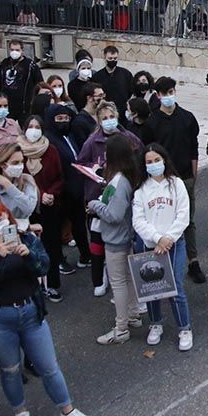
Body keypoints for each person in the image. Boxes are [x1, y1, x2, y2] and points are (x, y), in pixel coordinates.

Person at [0, 197, 97, 416]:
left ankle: (67, 410)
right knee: (10, 369)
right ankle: (20, 411)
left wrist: (28, 255)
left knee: (49, 366)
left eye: (0, 218)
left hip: (30, 312)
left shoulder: (26, 237)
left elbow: (43, 266)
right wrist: (0, 256)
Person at [141, 78, 206, 284]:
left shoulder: (187, 118)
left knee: (188, 220)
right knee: (161, 219)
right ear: (157, 95)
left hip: (185, 176)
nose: (168, 96)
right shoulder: (152, 122)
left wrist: (194, 175)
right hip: (162, 179)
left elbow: (194, 147)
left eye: (170, 91)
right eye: (163, 93)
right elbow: (148, 151)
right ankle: (163, 261)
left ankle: (193, 261)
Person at [132, 144, 193, 351]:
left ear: (164, 160)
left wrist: (168, 238)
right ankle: (155, 323)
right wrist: (157, 238)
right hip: (151, 245)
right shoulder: (141, 190)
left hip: (174, 243)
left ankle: (184, 328)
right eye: (149, 162)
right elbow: (138, 221)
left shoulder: (176, 184)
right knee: (151, 288)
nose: (153, 165)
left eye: (156, 160)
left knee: (175, 286)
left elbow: (183, 214)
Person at [78, 102, 143, 295]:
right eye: (104, 118)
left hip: (123, 195)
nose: (108, 121)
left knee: (124, 237)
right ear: (98, 121)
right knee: (97, 240)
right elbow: (81, 163)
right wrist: (94, 169)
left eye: (111, 117)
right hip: (97, 195)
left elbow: (140, 157)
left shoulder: (129, 138)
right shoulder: (92, 142)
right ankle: (99, 278)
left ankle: (124, 272)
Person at [87, 135, 145, 345]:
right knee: (127, 279)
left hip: (116, 238)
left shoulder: (120, 182)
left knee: (118, 283)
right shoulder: (125, 177)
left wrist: (95, 205)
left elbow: (114, 214)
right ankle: (133, 314)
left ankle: (121, 328)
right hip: (123, 236)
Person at [18, 116, 65, 301]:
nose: (34, 130)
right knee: (28, 248)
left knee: (51, 247)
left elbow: (60, 177)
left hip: (49, 207)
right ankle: (31, 286)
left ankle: (52, 284)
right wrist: (39, 194)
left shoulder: (50, 150)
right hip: (26, 209)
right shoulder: (17, 151)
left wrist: (51, 193)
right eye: (30, 126)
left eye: (37, 127)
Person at [42, 102, 89, 274]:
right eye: (59, 119)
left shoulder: (69, 136)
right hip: (59, 192)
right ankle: (58, 261)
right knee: (56, 229)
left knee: (79, 224)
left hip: (75, 189)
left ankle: (85, 255)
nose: (63, 122)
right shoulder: (49, 140)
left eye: (66, 118)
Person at [0, 144, 39, 238]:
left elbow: (28, 208)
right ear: (2, 165)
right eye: (15, 163)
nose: (20, 166)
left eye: (22, 162)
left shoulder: (27, 183)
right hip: (0, 240)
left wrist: (9, 186)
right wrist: (24, 226)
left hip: (26, 238)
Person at [0, 40, 43, 124]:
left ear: (22, 50)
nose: (14, 52)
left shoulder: (31, 66)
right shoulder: (2, 65)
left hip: (24, 107)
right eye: (12, 50)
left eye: (17, 50)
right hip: (6, 106)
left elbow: (39, 84)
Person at [71, 82, 105, 148]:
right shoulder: (79, 122)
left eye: (103, 95)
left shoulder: (101, 115)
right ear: (89, 98)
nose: (103, 98)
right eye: (100, 95)